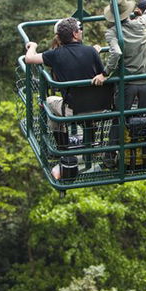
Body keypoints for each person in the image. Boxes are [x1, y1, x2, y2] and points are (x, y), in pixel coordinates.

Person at [25, 17, 106, 179]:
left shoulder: (55, 55)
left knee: (48, 102)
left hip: (74, 109)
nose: (82, 31)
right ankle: (92, 139)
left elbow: (29, 59)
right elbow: (102, 72)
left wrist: (32, 46)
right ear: (75, 35)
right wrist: (94, 51)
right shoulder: (90, 51)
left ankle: (63, 148)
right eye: (80, 29)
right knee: (86, 97)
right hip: (99, 107)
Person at [94, 0, 146, 166]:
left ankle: (109, 157)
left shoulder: (113, 32)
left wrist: (105, 73)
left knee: (120, 118)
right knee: (145, 118)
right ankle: (144, 155)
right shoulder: (141, 24)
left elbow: (115, 53)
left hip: (128, 83)